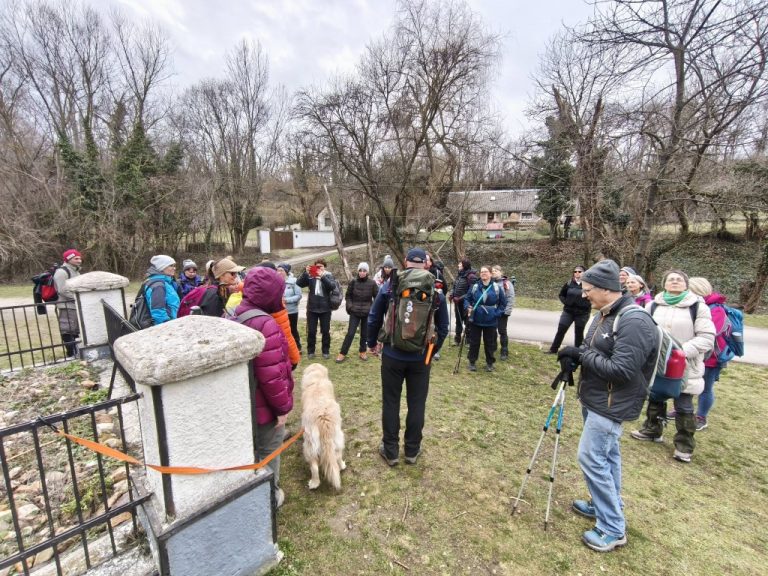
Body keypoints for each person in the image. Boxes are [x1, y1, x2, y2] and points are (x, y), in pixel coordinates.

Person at [556, 259, 659, 553]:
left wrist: (581, 355)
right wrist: (575, 357)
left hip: (612, 403)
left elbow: (622, 370)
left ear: (605, 289)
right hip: (597, 397)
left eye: (588, 289)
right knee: (607, 456)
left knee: (591, 457)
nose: (584, 293)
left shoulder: (634, 321)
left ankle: (612, 528)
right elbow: (591, 349)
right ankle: (601, 504)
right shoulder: (603, 314)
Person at [367, 247, 449, 467]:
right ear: (426, 264)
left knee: (391, 402)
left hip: (392, 355)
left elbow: (374, 316)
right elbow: (444, 327)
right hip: (421, 358)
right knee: (417, 404)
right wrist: (432, 351)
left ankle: (391, 452)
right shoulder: (435, 288)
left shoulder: (391, 284)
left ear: (405, 261)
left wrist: (372, 343)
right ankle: (412, 451)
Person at [630, 270, 715, 463]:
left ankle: (684, 445)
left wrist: (681, 351)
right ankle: (652, 430)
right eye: (671, 279)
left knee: (683, 403)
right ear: (664, 284)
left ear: (686, 284)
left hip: (685, 363)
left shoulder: (697, 307)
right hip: (657, 361)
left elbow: (707, 338)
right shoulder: (653, 305)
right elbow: (644, 330)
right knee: (655, 396)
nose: (675, 281)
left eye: (679, 279)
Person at [233, 266, 295, 507]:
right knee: (269, 451)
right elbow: (272, 376)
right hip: (265, 408)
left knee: (252, 451)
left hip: (245, 404)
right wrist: (282, 409)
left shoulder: (235, 314)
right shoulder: (265, 323)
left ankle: (251, 495)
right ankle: (269, 497)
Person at [687, 277, 730, 431]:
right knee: (690, 383)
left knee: (706, 387)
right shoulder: (695, 305)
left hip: (712, 357)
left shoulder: (716, 309)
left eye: (689, 290)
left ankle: (701, 417)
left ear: (697, 290)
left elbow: (711, 333)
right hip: (696, 353)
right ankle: (685, 409)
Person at [464, 266, 507, 372]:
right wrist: (468, 307)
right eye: (482, 272)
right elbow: (467, 299)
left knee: (490, 343)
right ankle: (472, 362)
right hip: (476, 319)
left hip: (491, 320)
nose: (483, 273)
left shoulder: (497, 287)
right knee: (474, 342)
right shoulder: (475, 286)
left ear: (490, 274)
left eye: (486, 271)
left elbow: (503, 303)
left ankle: (490, 363)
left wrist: (496, 314)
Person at [337, 262, 378, 363]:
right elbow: (348, 296)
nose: (362, 272)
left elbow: (377, 298)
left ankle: (362, 351)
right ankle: (342, 353)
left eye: (364, 271)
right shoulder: (353, 282)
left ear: (367, 272)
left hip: (366, 313)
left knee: (365, 334)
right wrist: (350, 307)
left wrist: (371, 309)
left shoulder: (372, 283)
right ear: (358, 271)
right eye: (360, 270)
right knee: (350, 333)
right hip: (354, 312)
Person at [296, 258, 336, 359]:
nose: (318, 268)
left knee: (325, 331)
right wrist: (305, 273)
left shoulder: (328, 275)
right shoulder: (310, 276)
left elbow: (332, 286)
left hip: (325, 308)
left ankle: (325, 351)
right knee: (311, 331)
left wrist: (322, 276)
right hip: (312, 308)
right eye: (317, 266)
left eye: (321, 267)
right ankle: (311, 351)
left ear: (324, 267)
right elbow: (299, 283)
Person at [547, 266, 592, 354]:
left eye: (580, 271)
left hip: (582, 313)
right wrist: (566, 302)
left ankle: (578, 353)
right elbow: (561, 295)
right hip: (568, 312)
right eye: (575, 271)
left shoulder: (588, 284)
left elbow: (593, 296)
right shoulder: (569, 283)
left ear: (584, 273)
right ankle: (553, 350)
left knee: (578, 333)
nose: (577, 273)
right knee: (561, 330)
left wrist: (586, 305)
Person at [54, 249, 82, 357]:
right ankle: (71, 354)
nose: (79, 260)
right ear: (68, 259)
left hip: (74, 305)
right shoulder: (61, 272)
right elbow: (62, 290)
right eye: (76, 258)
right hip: (67, 306)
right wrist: (78, 298)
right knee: (68, 330)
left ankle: (76, 353)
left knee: (75, 330)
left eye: (80, 258)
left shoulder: (76, 271)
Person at [144, 255, 180, 325]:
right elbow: (158, 312)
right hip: (168, 325)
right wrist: (168, 326)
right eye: (171, 266)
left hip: (173, 321)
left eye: (174, 266)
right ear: (162, 267)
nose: (174, 268)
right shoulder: (158, 286)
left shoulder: (165, 282)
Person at [448, 259, 475, 345]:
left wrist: (460, 298)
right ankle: (457, 340)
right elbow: (454, 287)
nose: (458, 265)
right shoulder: (459, 275)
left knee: (468, 322)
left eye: (460, 264)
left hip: (467, 303)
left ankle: (468, 341)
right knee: (458, 321)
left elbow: (471, 291)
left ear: (464, 265)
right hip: (457, 303)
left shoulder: (471, 276)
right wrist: (451, 294)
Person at [491, 265, 515, 360]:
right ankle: (493, 347)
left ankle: (504, 351)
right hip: (492, 310)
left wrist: (507, 311)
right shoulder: (490, 283)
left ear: (501, 272)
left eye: (496, 270)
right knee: (492, 330)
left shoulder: (506, 283)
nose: (494, 272)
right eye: (492, 271)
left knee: (502, 331)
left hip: (502, 311)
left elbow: (510, 298)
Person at [277, 263, 303, 352]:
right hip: (279, 311)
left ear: (286, 272)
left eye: (281, 270)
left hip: (291, 311)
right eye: (278, 270)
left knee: (292, 329)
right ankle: (284, 348)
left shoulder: (294, 281)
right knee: (281, 330)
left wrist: (286, 300)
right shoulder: (275, 282)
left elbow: (298, 295)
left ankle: (297, 347)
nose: (279, 272)